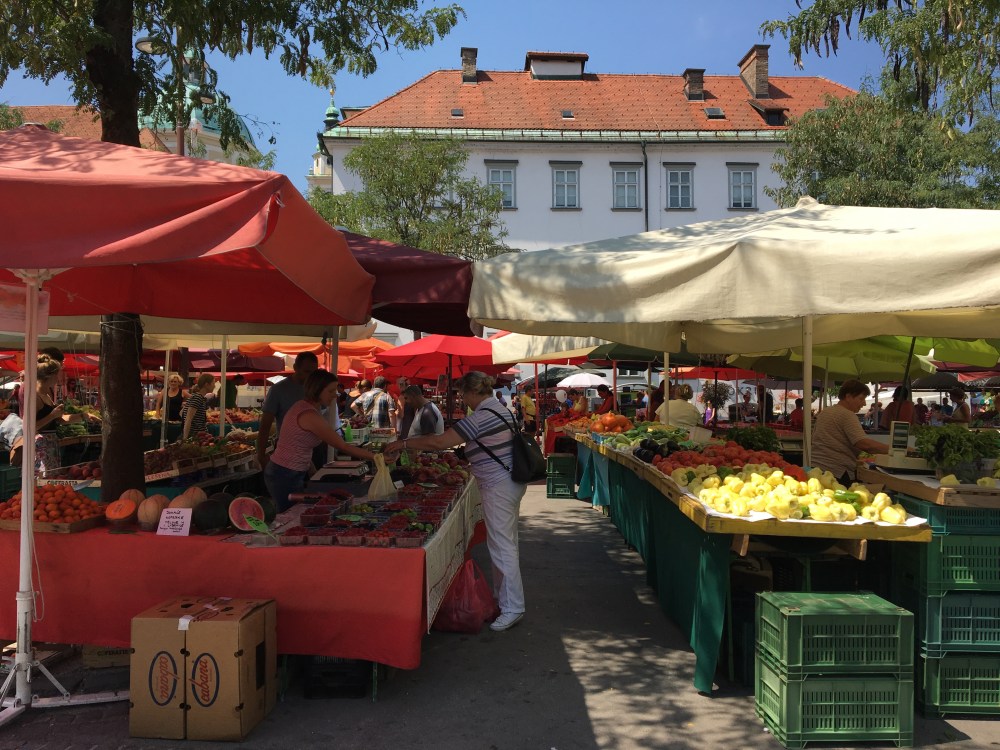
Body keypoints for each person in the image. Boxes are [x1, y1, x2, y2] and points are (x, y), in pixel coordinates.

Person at [385, 371, 528, 632]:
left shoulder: (482, 416)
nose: (463, 401)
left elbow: (440, 442)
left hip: (499, 485)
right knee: (506, 543)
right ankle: (506, 600)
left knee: (503, 547)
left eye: (463, 395)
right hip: (508, 481)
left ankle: (513, 607)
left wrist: (403, 444)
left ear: (473, 392)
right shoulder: (499, 408)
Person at [264, 370, 390, 512]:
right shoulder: (308, 414)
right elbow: (342, 445)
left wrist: (314, 473)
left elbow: (301, 444)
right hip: (284, 474)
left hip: (290, 471)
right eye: (330, 391)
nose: (335, 395)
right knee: (288, 517)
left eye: (335, 390)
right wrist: (377, 457)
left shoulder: (305, 407)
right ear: (317, 390)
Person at [810, 379, 889, 484]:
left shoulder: (826, 412)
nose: (864, 403)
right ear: (848, 397)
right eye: (861, 398)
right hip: (836, 473)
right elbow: (864, 444)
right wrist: (894, 449)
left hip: (816, 469)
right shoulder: (847, 415)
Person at [257, 352, 319, 469]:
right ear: (295, 368)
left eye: (313, 373)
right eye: (306, 372)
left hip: (313, 449)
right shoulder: (278, 390)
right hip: (288, 450)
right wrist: (261, 454)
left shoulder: (316, 389)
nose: (310, 376)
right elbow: (265, 425)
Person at [180, 373, 216, 441]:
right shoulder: (197, 398)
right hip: (195, 436)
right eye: (213, 383)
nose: (214, 386)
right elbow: (188, 419)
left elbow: (181, 413)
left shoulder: (198, 397)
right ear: (206, 384)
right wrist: (185, 439)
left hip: (199, 435)